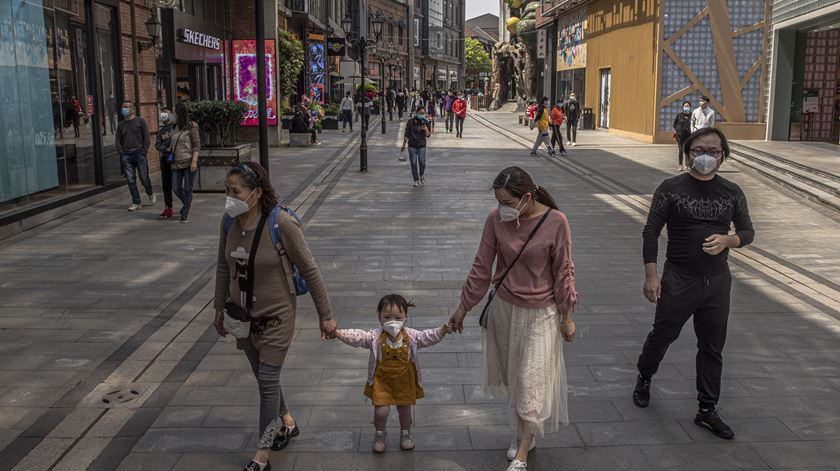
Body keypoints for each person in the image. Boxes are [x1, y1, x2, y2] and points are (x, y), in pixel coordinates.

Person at [449, 166, 577, 471]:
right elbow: (482, 265)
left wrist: (566, 315)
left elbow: (564, 271)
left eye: (507, 202)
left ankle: (521, 452)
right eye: (498, 202)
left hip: (542, 315)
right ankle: (525, 434)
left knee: (530, 381)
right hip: (505, 311)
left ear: (527, 197)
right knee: (516, 382)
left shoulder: (556, 222)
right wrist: (463, 307)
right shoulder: (495, 220)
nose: (501, 209)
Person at [214, 162, 337, 471]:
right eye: (227, 191)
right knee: (264, 378)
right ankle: (287, 423)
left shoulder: (280, 223)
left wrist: (326, 316)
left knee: (267, 380)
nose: (229, 198)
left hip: (277, 315)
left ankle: (262, 453)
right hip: (242, 315)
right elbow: (222, 267)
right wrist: (218, 308)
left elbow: (310, 270)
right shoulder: (229, 223)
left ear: (256, 193)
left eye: (235, 192)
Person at [634, 127, 754, 441]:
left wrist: (730, 239)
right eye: (699, 150)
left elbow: (748, 232)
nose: (706, 156)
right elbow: (650, 231)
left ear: (723, 155)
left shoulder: (731, 191)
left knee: (712, 347)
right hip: (679, 279)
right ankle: (645, 375)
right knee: (663, 334)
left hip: (717, 282)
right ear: (688, 153)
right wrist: (651, 275)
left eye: (714, 151)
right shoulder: (670, 188)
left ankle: (707, 409)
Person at [334, 294, 454, 453]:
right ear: (379, 317)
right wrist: (339, 333)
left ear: (405, 317)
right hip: (382, 381)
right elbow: (358, 337)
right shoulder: (374, 336)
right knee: (380, 411)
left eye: (398, 317)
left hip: (404, 381)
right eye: (387, 317)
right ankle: (380, 433)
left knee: (404, 410)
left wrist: (442, 330)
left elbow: (427, 337)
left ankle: (406, 433)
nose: (393, 321)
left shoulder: (411, 336)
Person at [115, 100, 155, 211]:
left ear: (132, 109)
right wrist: (122, 153)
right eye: (123, 107)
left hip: (139, 154)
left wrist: (144, 151)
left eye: (126, 107)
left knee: (144, 178)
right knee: (130, 180)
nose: (124, 109)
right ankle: (136, 202)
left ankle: (150, 193)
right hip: (126, 155)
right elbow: (118, 140)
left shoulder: (140, 121)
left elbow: (146, 137)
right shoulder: (121, 124)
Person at [170, 104, 201, 223]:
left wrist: (194, 160)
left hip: (189, 162)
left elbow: (197, 145)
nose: (172, 115)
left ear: (179, 114)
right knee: (176, 188)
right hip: (176, 163)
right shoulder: (173, 127)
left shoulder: (191, 127)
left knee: (188, 188)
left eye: (174, 113)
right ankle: (187, 204)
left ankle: (185, 212)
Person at [154, 107, 177, 219]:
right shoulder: (161, 131)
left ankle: (186, 204)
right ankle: (168, 207)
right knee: (166, 185)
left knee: (177, 185)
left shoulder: (177, 128)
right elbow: (157, 145)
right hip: (166, 159)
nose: (164, 115)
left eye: (166, 113)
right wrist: (166, 148)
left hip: (178, 159)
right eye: (162, 113)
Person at [401, 108, 432, 188]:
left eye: (423, 113)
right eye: (420, 113)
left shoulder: (426, 122)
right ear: (416, 112)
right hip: (412, 145)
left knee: (422, 162)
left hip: (422, 145)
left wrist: (425, 129)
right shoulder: (410, 122)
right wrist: (403, 145)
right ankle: (416, 180)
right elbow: (406, 134)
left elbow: (428, 135)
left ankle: (421, 175)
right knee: (413, 163)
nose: (421, 115)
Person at [673, 100, 692, 171]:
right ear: (683, 107)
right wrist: (678, 130)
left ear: (690, 107)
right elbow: (674, 124)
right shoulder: (679, 115)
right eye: (685, 106)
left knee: (687, 150)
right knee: (681, 150)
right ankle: (680, 165)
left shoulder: (692, 115)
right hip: (680, 136)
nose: (687, 107)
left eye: (688, 106)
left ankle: (688, 165)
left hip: (689, 135)